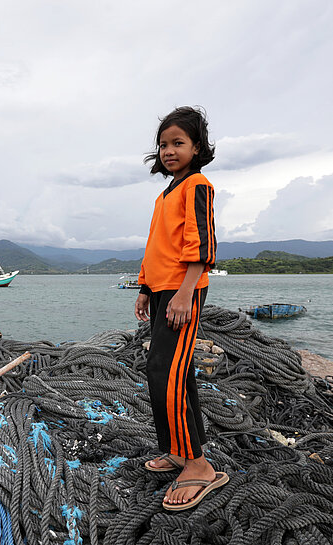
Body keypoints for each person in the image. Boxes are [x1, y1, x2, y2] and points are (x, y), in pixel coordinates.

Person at [134, 106, 228, 511]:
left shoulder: (198, 185)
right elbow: (156, 246)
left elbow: (202, 245)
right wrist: (143, 288)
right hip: (161, 291)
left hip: (181, 291)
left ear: (197, 147)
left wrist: (186, 293)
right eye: (163, 144)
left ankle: (199, 465)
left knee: (166, 373)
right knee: (167, 371)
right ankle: (176, 448)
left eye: (178, 143)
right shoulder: (167, 192)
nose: (169, 150)